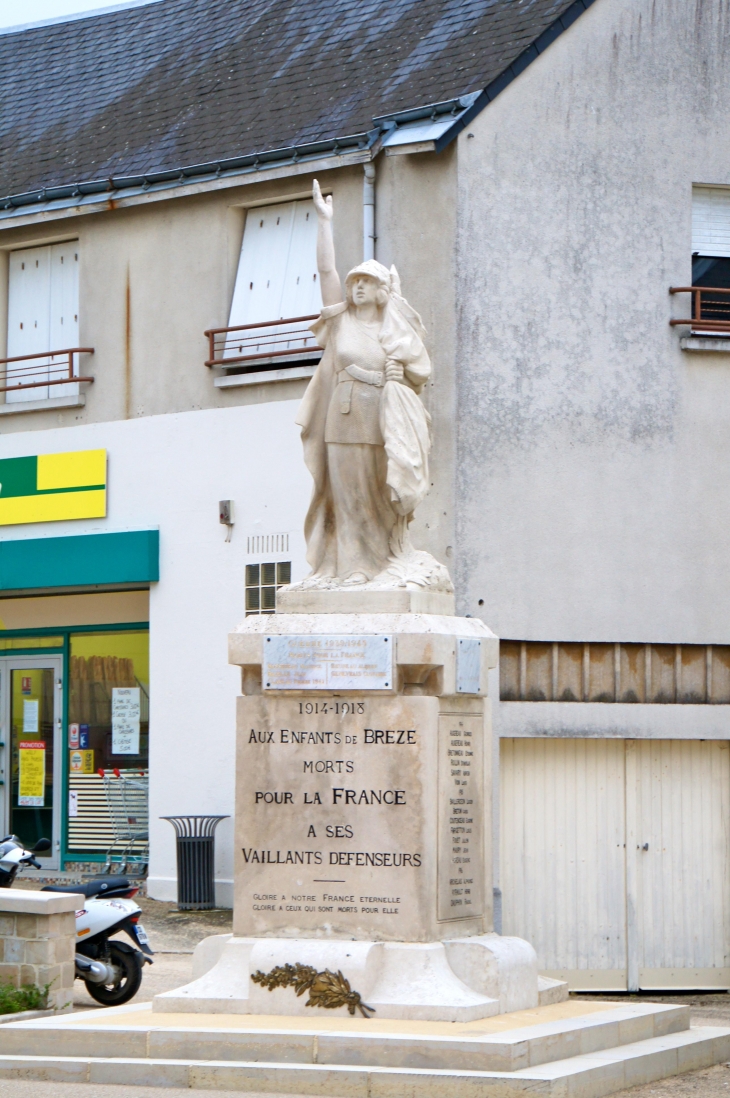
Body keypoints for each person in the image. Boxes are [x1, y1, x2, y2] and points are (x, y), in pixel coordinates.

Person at [295, 179, 447, 590]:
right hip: (342, 415)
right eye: (354, 281)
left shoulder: (395, 331)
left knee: (380, 496)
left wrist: (401, 375)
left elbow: (420, 373)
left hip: (381, 417)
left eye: (366, 281)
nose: (356, 286)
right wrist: (324, 223)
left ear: (382, 291)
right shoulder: (340, 320)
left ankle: (383, 561)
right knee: (345, 495)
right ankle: (351, 566)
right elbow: (325, 270)